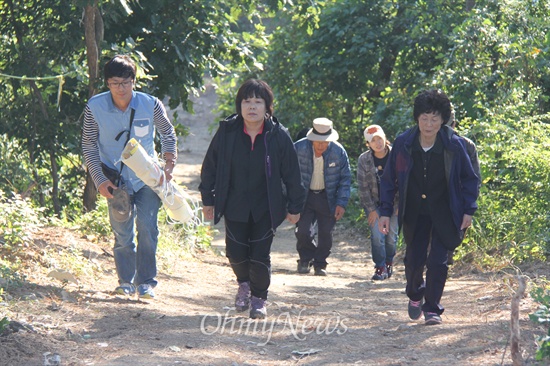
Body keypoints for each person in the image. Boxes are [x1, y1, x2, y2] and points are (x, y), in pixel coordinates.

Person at [199, 79, 305, 319]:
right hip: (234, 203)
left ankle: (259, 298)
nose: (252, 107)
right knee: (235, 253)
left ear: (267, 107)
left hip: (266, 206)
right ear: (240, 105)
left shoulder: (278, 135)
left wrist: (295, 206)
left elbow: (292, 172)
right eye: (247, 101)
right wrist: (208, 198)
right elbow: (210, 166)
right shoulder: (227, 132)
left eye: (258, 101)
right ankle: (243, 283)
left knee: (259, 255)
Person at [378, 89, 479, 325]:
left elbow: (469, 179)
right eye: (424, 118)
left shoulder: (454, 145)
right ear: (417, 118)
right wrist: (384, 211)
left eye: (435, 118)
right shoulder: (404, 143)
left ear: (443, 119)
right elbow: (389, 179)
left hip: (446, 209)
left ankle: (432, 307)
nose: (429, 124)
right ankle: (415, 294)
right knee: (413, 261)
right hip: (415, 210)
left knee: (438, 261)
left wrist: (468, 210)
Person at [82, 55, 178, 300]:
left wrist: (169, 163)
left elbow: (168, 132)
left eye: (125, 82)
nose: (120, 88)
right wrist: (99, 180)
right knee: (122, 233)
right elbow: (89, 145)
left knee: (147, 227)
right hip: (115, 180)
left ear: (134, 81)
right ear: (107, 83)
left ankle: (146, 282)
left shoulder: (150, 103)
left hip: (147, 178)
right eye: (115, 83)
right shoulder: (95, 107)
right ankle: (125, 281)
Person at [294, 118, 352, 276]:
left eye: (324, 141)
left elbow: (345, 179)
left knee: (326, 232)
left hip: (328, 197)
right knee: (303, 231)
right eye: (318, 141)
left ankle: (320, 263)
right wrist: (289, 202)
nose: (321, 145)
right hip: (305, 196)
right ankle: (305, 259)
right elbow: (287, 175)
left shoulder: (339, 151)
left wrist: (342, 203)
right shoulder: (298, 148)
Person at [357, 125, 398, 280]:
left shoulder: (396, 155)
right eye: (373, 141)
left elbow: (404, 181)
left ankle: (389, 262)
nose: (377, 143)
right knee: (377, 234)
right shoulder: (364, 159)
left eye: (379, 139)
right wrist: (371, 209)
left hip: (394, 203)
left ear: (384, 138)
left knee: (391, 235)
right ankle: (380, 266)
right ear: (368, 144)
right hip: (374, 203)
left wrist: (400, 205)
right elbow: (362, 187)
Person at [445, 109, 481, 265]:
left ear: (453, 125)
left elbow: (474, 179)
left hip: (457, 202)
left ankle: (443, 266)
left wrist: (469, 208)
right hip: (432, 201)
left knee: (451, 241)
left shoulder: (466, 145)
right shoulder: (422, 143)